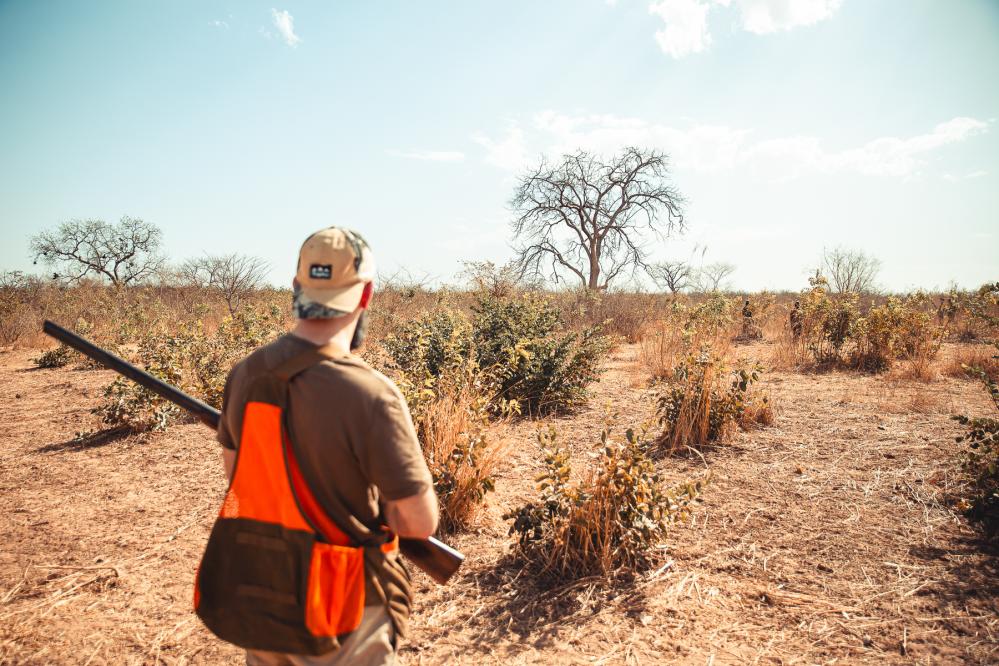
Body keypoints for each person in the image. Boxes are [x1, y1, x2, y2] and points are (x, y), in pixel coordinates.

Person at [215, 227, 438, 666]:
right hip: (345, 608)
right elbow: (418, 521)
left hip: (265, 594)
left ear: (297, 287)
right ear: (365, 294)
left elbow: (237, 479)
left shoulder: (245, 375)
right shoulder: (372, 394)